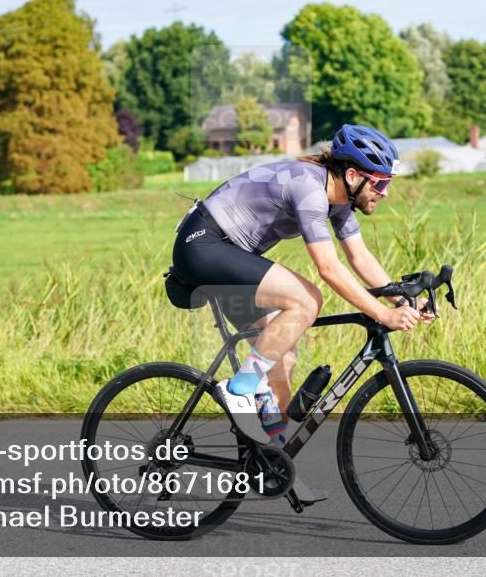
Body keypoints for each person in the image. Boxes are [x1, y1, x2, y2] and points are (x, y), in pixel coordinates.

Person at [170, 124, 434, 502]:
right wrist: (381, 313)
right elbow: (328, 269)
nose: (385, 192)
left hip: (230, 255)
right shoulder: (309, 187)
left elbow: (359, 257)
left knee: (283, 354)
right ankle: (239, 389)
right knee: (307, 300)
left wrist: (400, 302)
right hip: (204, 246)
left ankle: (270, 465)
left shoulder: (340, 200)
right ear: (354, 175)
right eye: (379, 183)